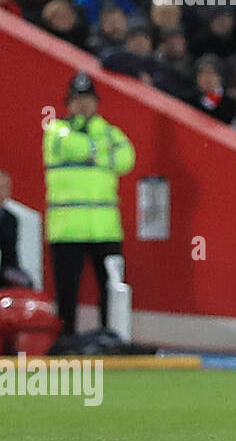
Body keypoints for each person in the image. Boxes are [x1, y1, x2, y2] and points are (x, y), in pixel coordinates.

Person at [43, 72, 135, 353]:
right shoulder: (56, 131)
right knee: (67, 292)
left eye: (88, 99)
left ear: (96, 102)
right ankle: (66, 339)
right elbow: (69, 146)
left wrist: (92, 152)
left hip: (105, 227)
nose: (83, 105)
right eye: (78, 99)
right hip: (67, 228)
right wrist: (101, 153)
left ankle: (109, 338)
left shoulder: (110, 131)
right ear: (68, 103)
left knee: (110, 289)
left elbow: (127, 159)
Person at [0, 170, 33, 288]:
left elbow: (11, 254)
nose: (3, 192)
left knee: (25, 281)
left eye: (6, 187)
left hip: (5, 268)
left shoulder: (11, 219)